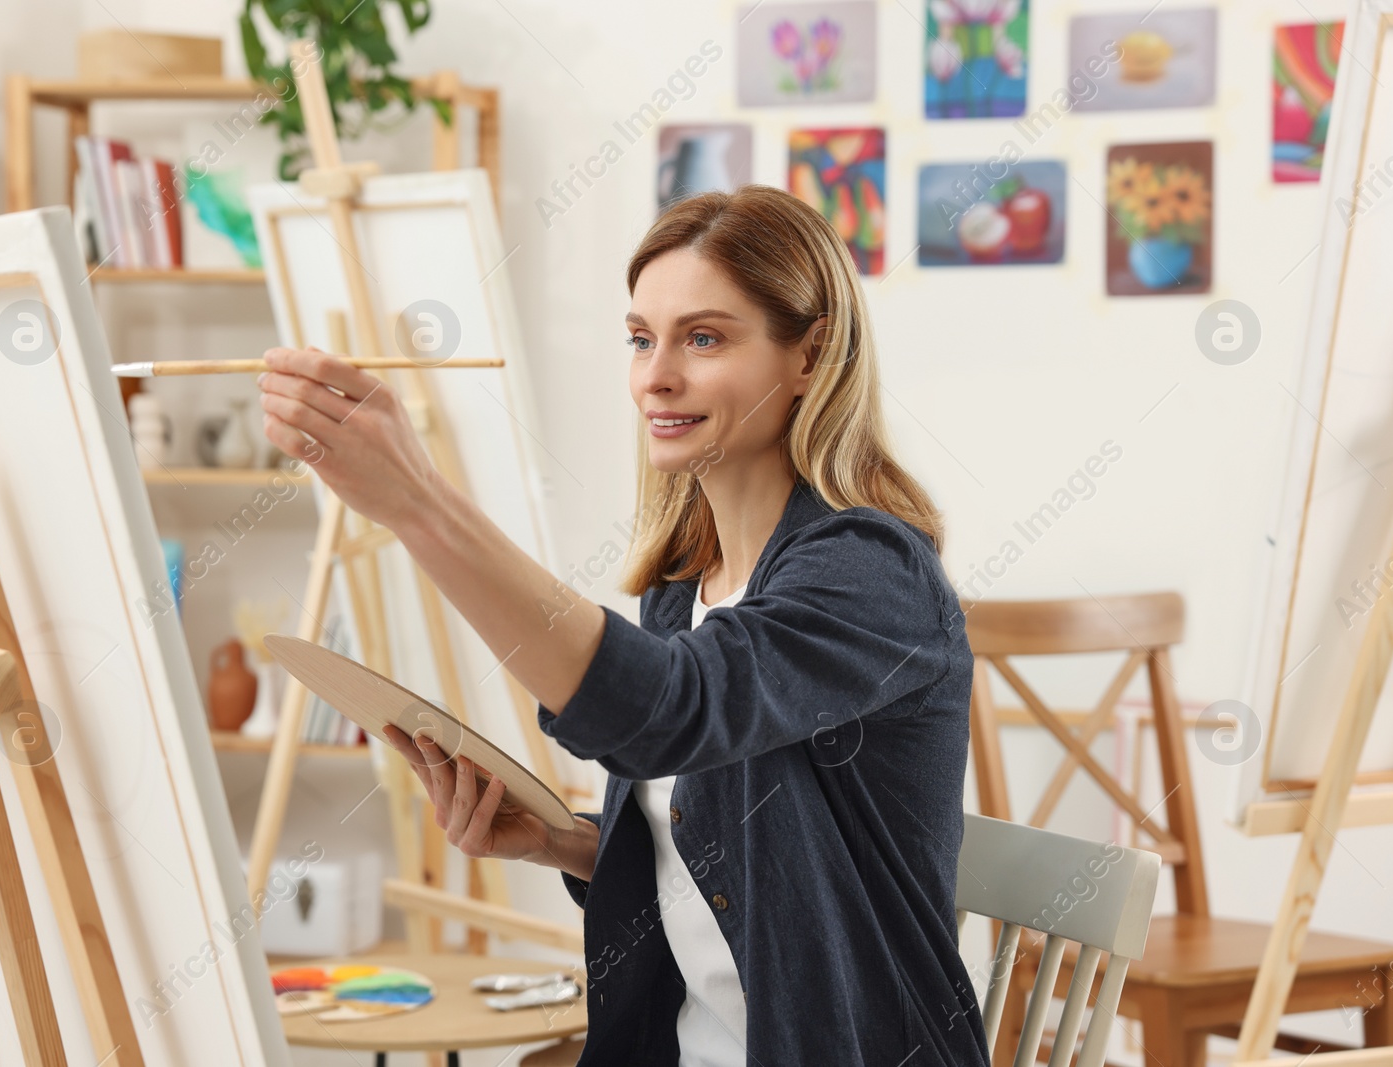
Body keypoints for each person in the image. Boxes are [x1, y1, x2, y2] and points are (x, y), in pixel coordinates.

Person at [255, 183, 989, 1066]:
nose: (655, 376)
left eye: (704, 338)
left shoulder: (873, 573)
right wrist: (565, 841)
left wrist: (417, 503)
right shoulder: (685, 587)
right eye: (641, 339)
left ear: (811, 354)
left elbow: (671, 709)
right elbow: (736, 867)